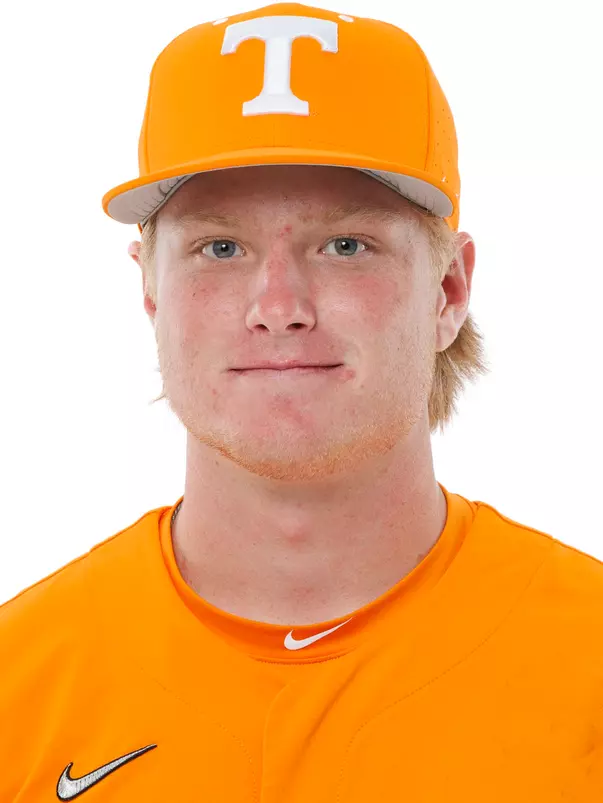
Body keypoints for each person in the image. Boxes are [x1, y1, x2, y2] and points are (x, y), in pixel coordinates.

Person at [2, 3, 602, 800]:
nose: (277, 303)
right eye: (220, 247)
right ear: (150, 292)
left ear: (449, 291)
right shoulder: (21, 683)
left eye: (345, 244)